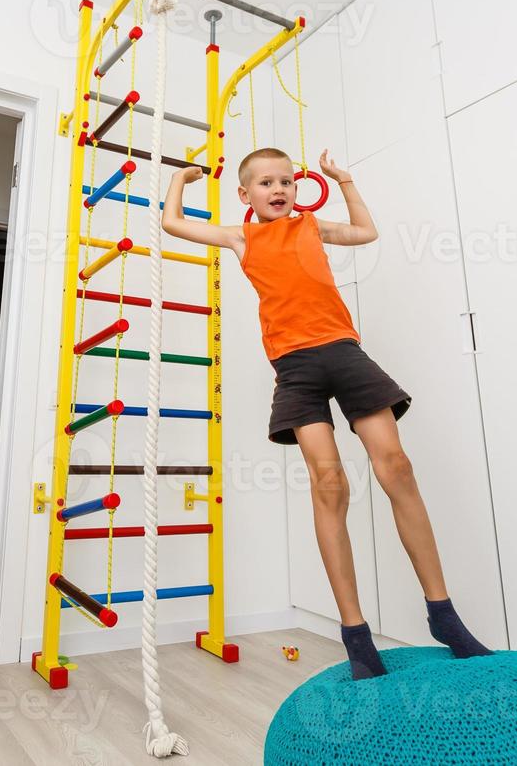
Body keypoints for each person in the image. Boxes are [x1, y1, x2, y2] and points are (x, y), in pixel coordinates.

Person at [161, 147, 491, 679]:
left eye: (286, 181)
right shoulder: (242, 236)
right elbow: (172, 223)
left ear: (298, 188)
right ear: (245, 195)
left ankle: (443, 614)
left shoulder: (312, 226)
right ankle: (356, 634)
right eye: (265, 183)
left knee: (397, 468)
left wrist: (345, 181)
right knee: (330, 483)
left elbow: (366, 233)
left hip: (343, 351)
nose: (279, 189)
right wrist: (181, 178)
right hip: (295, 369)